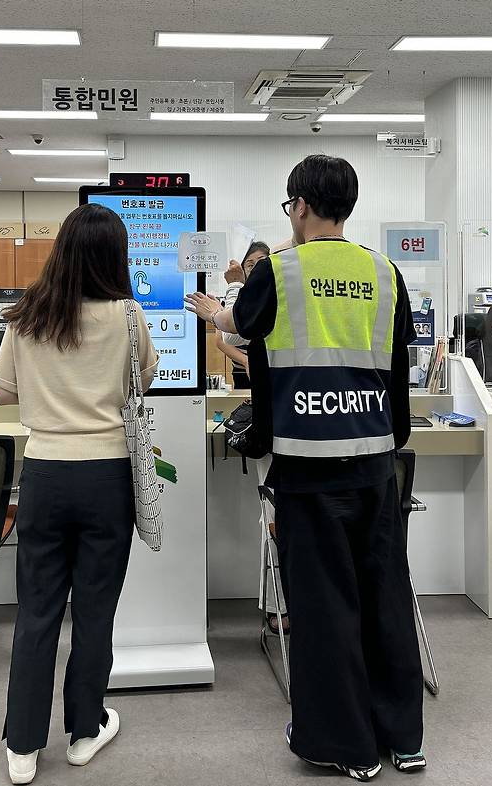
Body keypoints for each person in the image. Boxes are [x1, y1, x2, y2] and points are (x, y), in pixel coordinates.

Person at [186, 154, 425, 781]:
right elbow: (399, 365)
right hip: (376, 465)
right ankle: (403, 738)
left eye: (289, 206)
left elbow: (238, 326)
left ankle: (345, 746)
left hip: (307, 470)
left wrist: (214, 313)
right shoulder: (384, 270)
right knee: (384, 599)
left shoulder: (281, 271)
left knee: (324, 610)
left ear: (300, 206)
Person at [0, 204, 159, 785]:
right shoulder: (129, 316)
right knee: (95, 613)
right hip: (106, 478)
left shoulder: (25, 317)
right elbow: (147, 378)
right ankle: (85, 731)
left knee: (36, 612)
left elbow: (3, 395)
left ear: (60, 249)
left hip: (43, 475)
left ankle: (22, 745)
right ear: (116, 257)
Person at [217, 240, 289, 632]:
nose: (258, 269)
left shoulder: (277, 290)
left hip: (279, 424)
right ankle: (282, 605)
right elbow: (230, 338)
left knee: (278, 517)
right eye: (251, 264)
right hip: (290, 417)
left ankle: (283, 607)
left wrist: (234, 286)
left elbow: (232, 329)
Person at [216, 241, 271, 388]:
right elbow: (221, 340)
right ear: (242, 270)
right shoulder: (233, 297)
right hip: (242, 368)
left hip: (269, 367)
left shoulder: (273, 295)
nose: (255, 269)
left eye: (261, 262)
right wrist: (246, 361)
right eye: (250, 265)